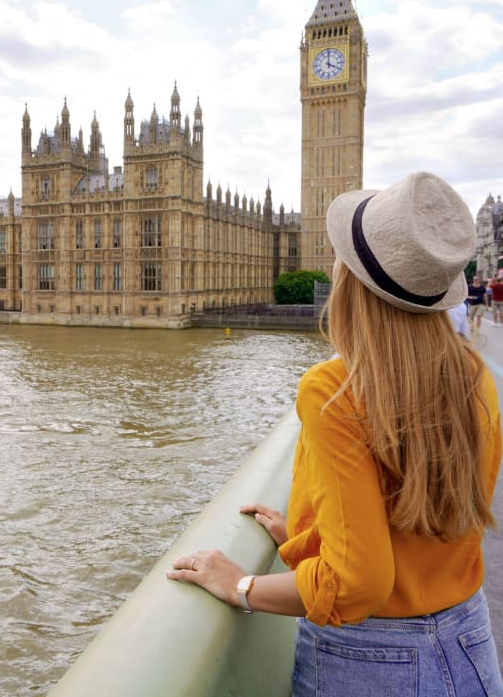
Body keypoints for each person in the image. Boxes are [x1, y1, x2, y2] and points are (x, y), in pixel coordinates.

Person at [167, 172, 502, 696]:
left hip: (370, 663)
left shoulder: (334, 391)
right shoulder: (474, 375)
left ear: (353, 283)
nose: (332, 265)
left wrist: (241, 585)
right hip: (470, 646)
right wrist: (310, 538)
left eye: (340, 255)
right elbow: (419, 514)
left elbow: (359, 584)